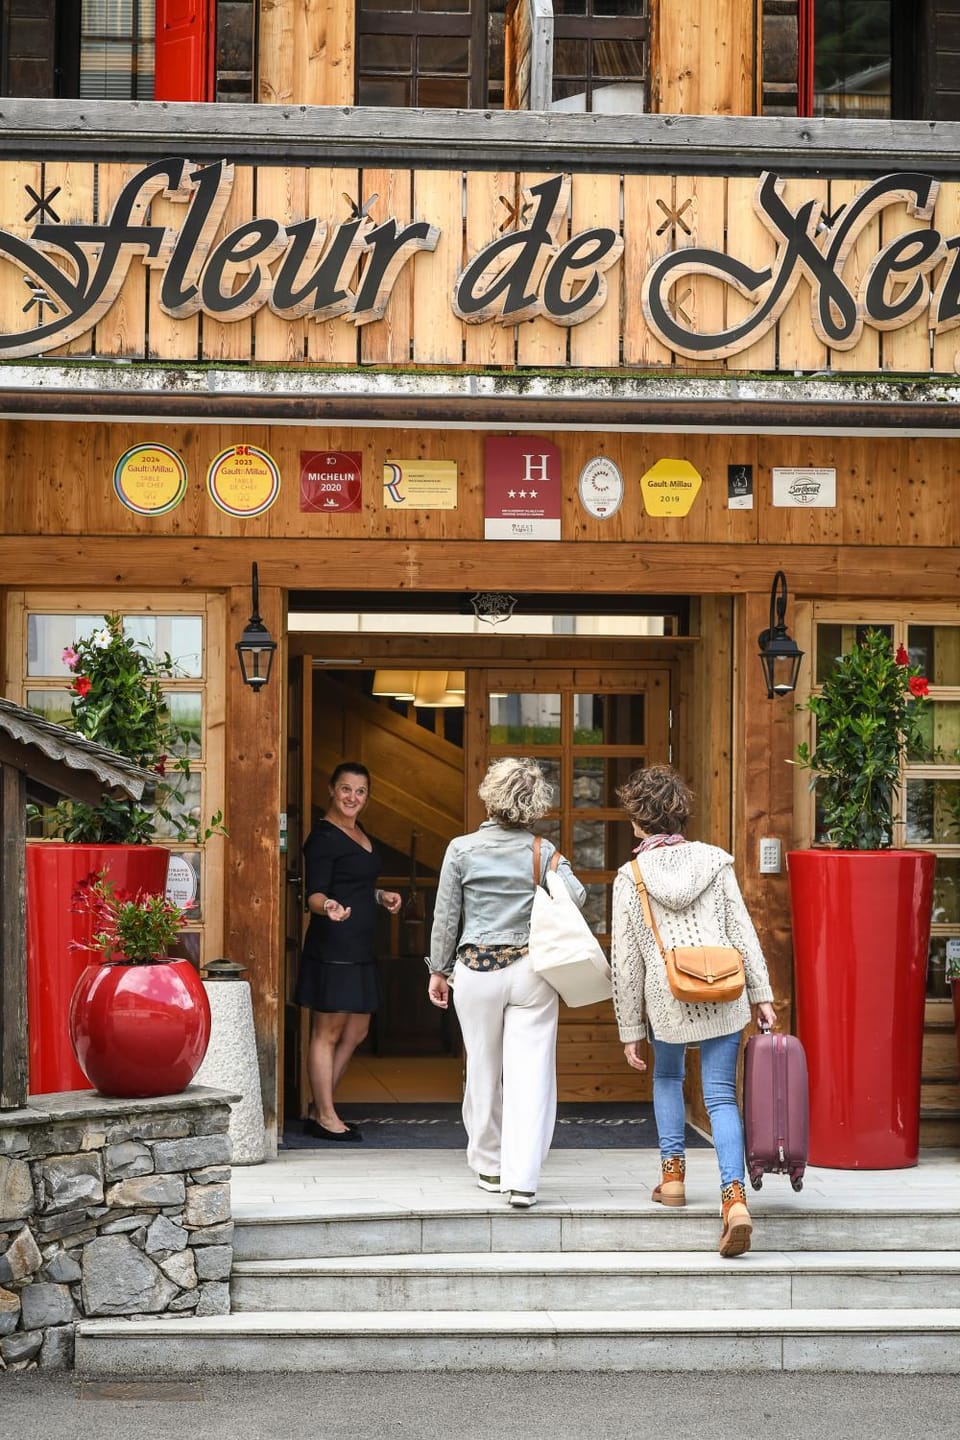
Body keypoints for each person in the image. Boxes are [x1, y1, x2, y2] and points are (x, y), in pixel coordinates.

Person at [610, 764, 777, 1257]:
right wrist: (761, 993)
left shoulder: (631, 876)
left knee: (667, 1079)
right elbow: (743, 933)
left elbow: (626, 959)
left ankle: (674, 1179)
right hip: (724, 992)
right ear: (679, 812)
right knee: (721, 1097)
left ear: (639, 820)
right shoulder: (715, 862)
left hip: (669, 997)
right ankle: (733, 1201)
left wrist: (629, 1026)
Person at [427, 757, 586, 1208]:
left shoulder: (461, 849)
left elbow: (446, 917)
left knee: (482, 1068)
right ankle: (524, 1178)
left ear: (490, 796)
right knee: (531, 1075)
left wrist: (438, 970)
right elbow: (576, 896)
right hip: (531, 970)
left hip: (475, 972)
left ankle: (489, 1165)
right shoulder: (543, 851)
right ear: (535, 805)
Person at [296, 762, 401, 1142]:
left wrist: (379, 895)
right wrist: (329, 908)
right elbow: (315, 894)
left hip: (360, 944)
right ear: (331, 789)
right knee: (328, 1030)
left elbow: (357, 883)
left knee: (357, 1029)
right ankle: (325, 1115)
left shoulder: (357, 831)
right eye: (345, 789)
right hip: (334, 944)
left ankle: (320, 1106)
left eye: (360, 791)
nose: (352, 797)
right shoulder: (323, 838)